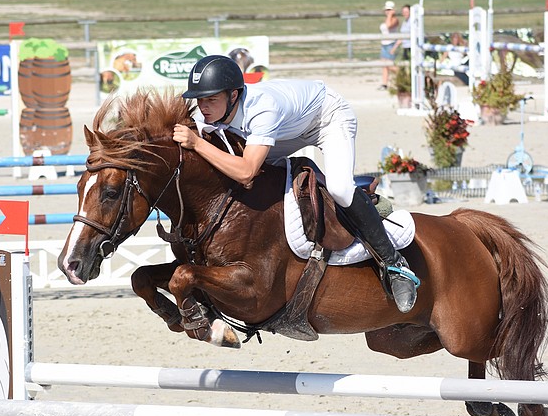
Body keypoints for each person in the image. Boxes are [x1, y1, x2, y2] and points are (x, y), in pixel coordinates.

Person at [172, 55, 418, 313]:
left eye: (211, 99)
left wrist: (197, 143)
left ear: (234, 96)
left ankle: (394, 265)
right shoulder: (212, 110)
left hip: (327, 118)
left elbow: (245, 172)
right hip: (288, 130)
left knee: (339, 188)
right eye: (200, 100)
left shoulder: (263, 109)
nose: (204, 107)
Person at [378, 1, 399, 91]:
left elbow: (388, 26)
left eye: (389, 10)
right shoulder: (387, 18)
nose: (387, 11)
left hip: (391, 44)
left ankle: (402, 74)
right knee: (384, 65)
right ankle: (384, 83)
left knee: (390, 65)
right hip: (384, 44)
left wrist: (390, 15)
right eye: (386, 10)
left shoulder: (395, 20)